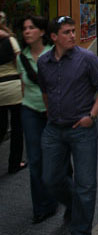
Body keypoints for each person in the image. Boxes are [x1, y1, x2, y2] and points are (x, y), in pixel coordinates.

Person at [38, 15, 98, 235]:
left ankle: (80, 233)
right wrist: (50, 114)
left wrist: (91, 115)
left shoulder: (87, 58)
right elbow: (46, 91)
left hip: (83, 129)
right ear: (53, 37)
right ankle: (73, 204)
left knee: (85, 183)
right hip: (54, 129)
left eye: (73, 31)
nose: (72, 36)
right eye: (67, 32)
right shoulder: (44, 62)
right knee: (50, 178)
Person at [18, 16, 57, 223]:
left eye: (31, 27)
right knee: (35, 159)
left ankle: (58, 195)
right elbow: (23, 86)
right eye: (24, 28)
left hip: (54, 111)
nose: (27, 31)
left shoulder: (53, 54)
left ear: (42, 32)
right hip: (30, 110)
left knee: (55, 157)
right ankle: (41, 207)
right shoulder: (21, 57)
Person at [0, 18, 26, 174]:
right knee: (17, 128)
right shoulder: (10, 40)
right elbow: (19, 64)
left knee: (1, 128)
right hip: (14, 88)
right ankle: (14, 163)